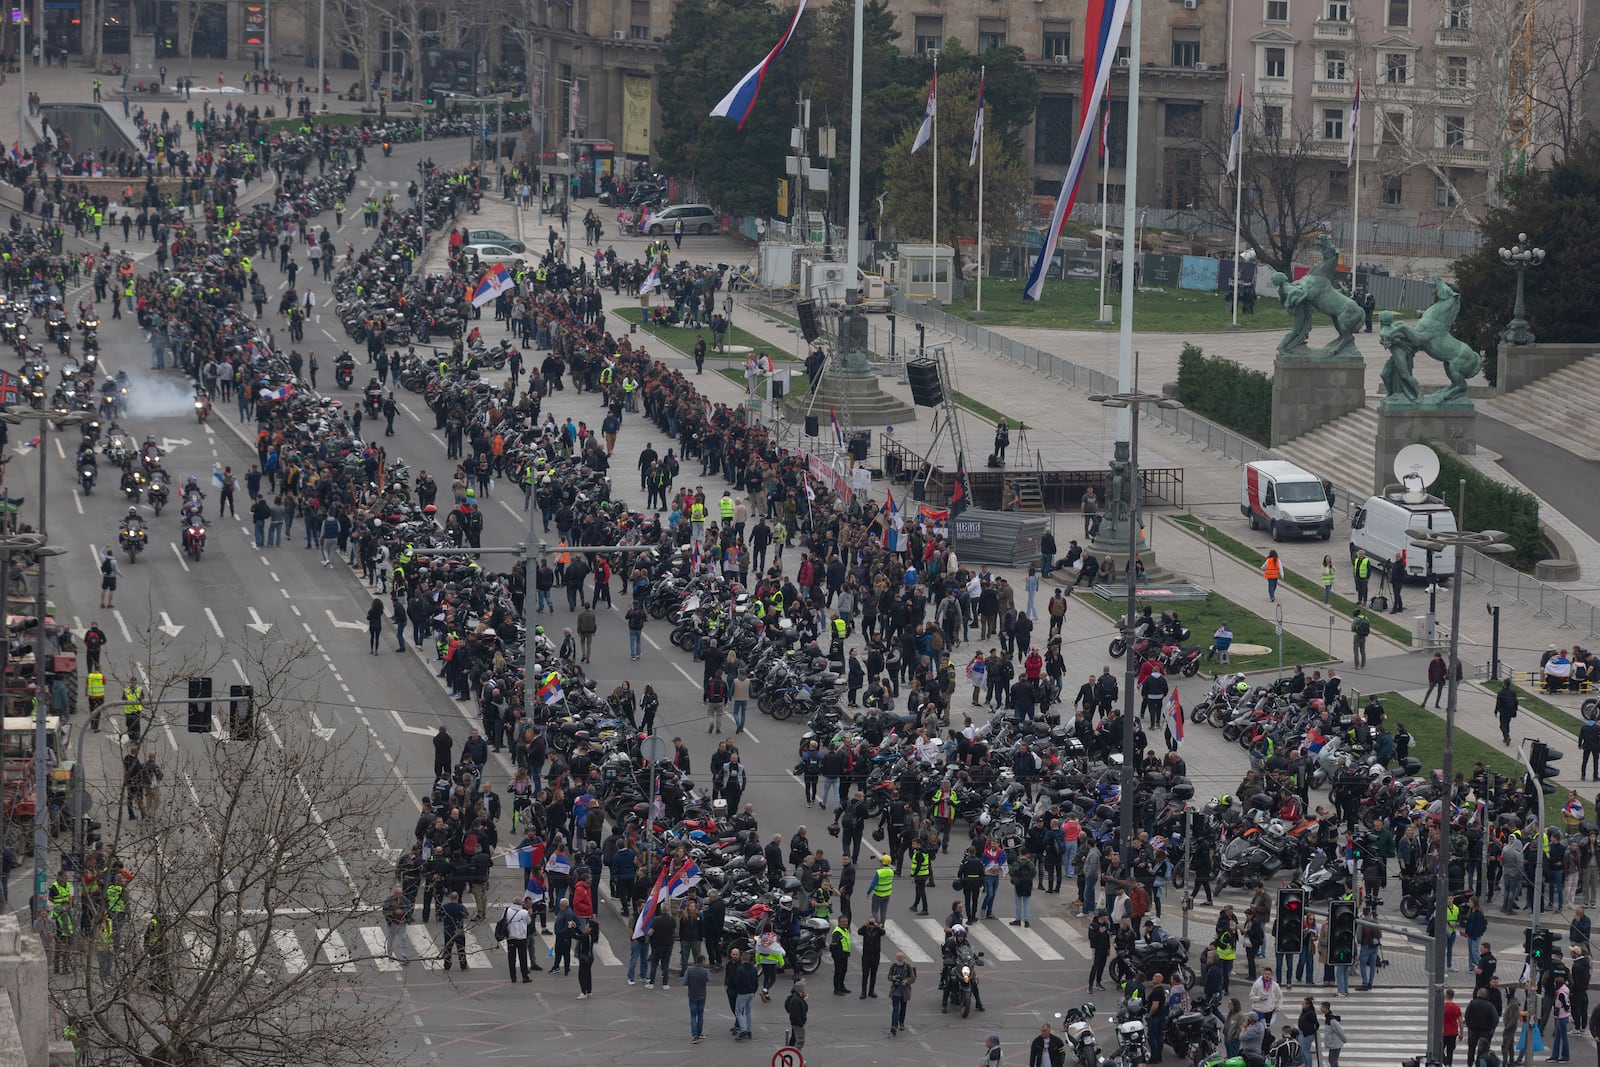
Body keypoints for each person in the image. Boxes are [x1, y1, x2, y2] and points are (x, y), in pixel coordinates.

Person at [504, 896, 533, 982]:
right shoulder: (523, 912)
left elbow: (503, 920)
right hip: (521, 938)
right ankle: (525, 977)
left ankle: (513, 977)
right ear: (521, 903)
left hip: (510, 937)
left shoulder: (507, 910)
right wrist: (529, 914)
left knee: (511, 959)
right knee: (523, 958)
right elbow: (529, 922)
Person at [439, 891, 470, 970]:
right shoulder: (461, 907)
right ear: (457, 898)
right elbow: (466, 916)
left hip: (448, 931)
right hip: (459, 931)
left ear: (450, 898)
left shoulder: (445, 907)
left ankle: (447, 965)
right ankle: (463, 965)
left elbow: (439, 915)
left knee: (448, 949)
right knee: (461, 949)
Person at [888, 950, 916, 1035]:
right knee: (895, 1009)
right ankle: (894, 1025)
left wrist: (906, 981)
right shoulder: (893, 966)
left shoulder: (908, 967)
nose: (900, 960)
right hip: (895, 991)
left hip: (904, 991)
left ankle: (901, 1022)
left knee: (903, 1009)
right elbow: (888, 976)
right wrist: (892, 977)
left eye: (901, 958)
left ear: (904, 958)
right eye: (898, 958)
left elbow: (913, 978)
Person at [685, 954, 711, 1043]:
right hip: (702, 995)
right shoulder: (705, 971)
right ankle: (699, 1033)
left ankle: (694, 1035)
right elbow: (707, 980)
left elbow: (684, 982)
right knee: (700, 1015)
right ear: (702, 961)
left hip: (692, 995)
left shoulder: (689, 970)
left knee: (693, 1015)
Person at [785, 979, 809, 1048]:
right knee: (799, 1042)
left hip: (797, 1024)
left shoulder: (798, 998)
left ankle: (793, 1055)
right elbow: (795, 1014)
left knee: (795, 1040)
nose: (805, 990)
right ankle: (794, 1056)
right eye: (804, 988)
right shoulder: (796, 1000)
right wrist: (800, 1024)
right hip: (798, 1024)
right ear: (801, 990)